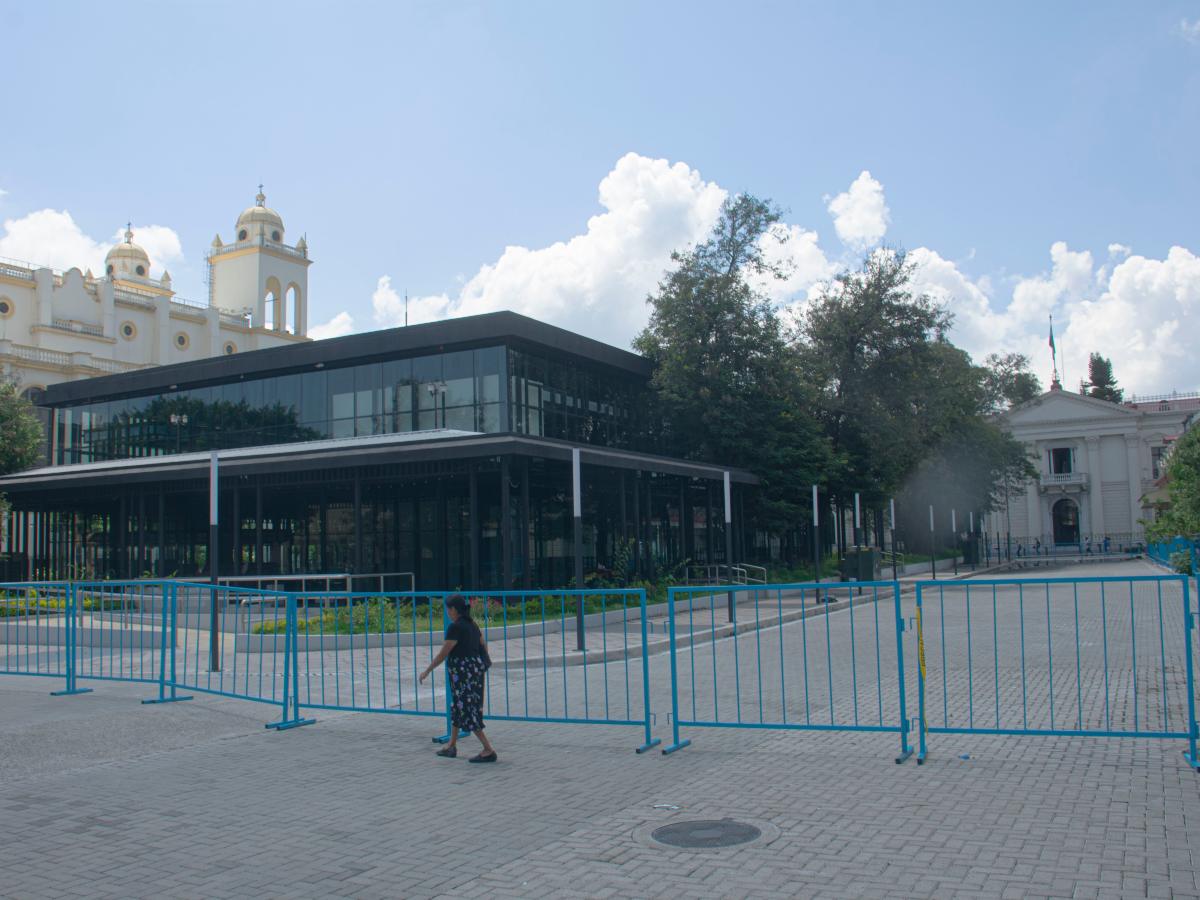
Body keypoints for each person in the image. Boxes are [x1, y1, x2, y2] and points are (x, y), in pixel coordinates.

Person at [419, 595, 497, 763]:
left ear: (454, 609)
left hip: (462, 674)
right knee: (458, 706)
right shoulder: (472, 625)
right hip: (474, 671)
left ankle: (488, 749)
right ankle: (451, 745)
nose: (447, 612)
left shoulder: (455, 627)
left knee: (468, 709)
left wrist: (427, 670)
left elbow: (444, 653)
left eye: (448, 609)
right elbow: (483, 645)